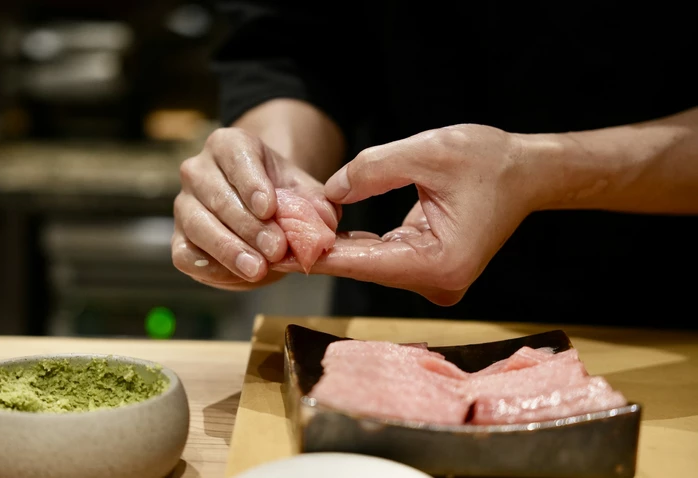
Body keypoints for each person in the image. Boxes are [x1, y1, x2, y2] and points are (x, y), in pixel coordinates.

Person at [171, 1, 698, 328]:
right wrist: (271, 180)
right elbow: (293, 44)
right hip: (393, 303)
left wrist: (536, 171)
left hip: (662, 308)